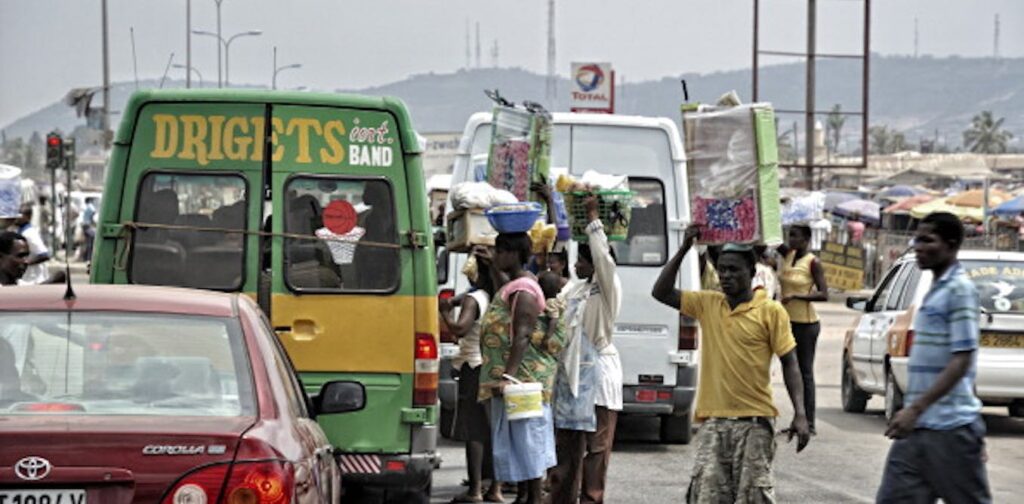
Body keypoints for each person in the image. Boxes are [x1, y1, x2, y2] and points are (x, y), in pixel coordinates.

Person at [652, 226, 810, 502]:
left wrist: (800, 413)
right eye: (722, 269)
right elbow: (661, 292)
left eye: (734, 270)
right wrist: (684, 249)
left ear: (751, 273)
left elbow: (790, 363)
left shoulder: (771, 311)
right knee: (706, 496)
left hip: (755, 423)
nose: (726, 276)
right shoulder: (708, 304)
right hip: (713, 423)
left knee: (753, 497)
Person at [876, 212, 991, 503]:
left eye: (928, 240)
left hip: (949, 431)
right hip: (917, 432)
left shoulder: (960, 290)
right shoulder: (933, 291)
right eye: (917, 238)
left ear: (951, 244)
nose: (918, 246)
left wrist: (914, 409)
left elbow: (963, 359)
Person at [548, 195, 623, 504]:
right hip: (571, 378)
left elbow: (604, 260)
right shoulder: (575, 289)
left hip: (599, 379)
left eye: (582, 260)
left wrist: (593, 219)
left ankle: (592, 499)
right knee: (566, 448)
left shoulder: (607, 288)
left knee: (595, 450)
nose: (576, 264)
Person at [476, 233, 557, 504]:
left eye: (499, 251)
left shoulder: (524, 290)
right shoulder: (515, 286)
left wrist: (508, 377)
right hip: (515, 381)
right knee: (517, 442)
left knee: (527, 443)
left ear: (512, 253)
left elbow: (521, 334)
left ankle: (533, 498)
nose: (497, 256)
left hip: (521, 381)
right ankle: (524, 497)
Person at [439, 254, 504, 504]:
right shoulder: (492, 295)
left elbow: (459, 329)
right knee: (493, 429)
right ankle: (495, 488)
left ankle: (475, 490)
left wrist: (446, 314)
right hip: (490, 365)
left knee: (474, 430)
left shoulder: (472, 299)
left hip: (473, 367)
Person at [778, 224, 828, 434]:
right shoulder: (789, 255)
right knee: (790, 371)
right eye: (789, 235)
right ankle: (798, 418)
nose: (791, 239)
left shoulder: (813, 262)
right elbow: (768, 239)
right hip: (786, 322)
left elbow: (824, 294)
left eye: (795, 236)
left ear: (807, 239)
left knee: (805, 372)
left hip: (806, 325)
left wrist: (796, 296)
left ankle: (809, 422)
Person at [14, 203, 51, 285]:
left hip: (35, 279)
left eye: (20, 215)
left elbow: (44, 255)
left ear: (28, 217)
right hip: (28, 278)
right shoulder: (21, 231)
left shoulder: (29, 233)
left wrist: (26, 262)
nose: (16, 217)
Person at [80, 197, 97, 262]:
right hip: (87, 226)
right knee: (91, 242)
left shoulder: (85, 207)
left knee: (87, 243)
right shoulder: (91, 207)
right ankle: (89, 257)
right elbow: (92, 217)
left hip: (84, 226)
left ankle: (86, 257)